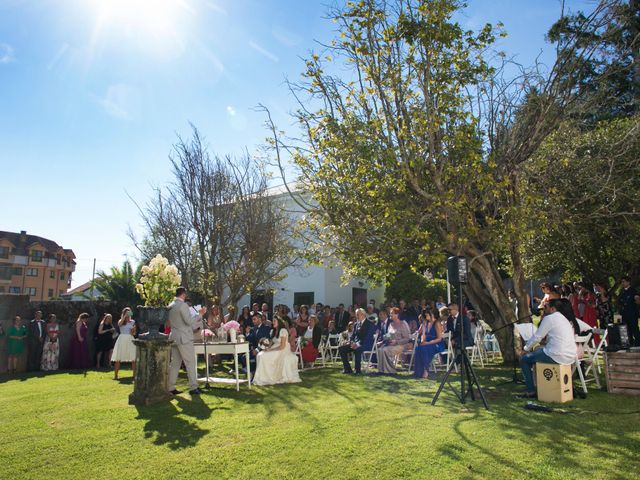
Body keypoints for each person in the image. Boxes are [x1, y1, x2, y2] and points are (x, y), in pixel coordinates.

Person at [518, 298, 578, 398]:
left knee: (524, 359)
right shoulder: (564, 319)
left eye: (546, 307)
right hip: (570, 356)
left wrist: (525, 349)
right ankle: (538, 385)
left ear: (553, 309)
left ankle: (530, 390)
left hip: (556, 355)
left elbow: (537, 336)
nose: (543, 309)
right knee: (538, 351)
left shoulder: (550, 318)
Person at [166, 287, 207, 395]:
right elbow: (189, 321)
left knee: (175, 363)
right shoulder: (183, 305)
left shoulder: (170, 305)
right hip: (184, 337)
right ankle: (193, 387)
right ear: (183, 294)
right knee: (190, 362)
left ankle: (170, 387)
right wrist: (200, 314)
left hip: (174, 336)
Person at [253, 316, 301, 386]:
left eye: (275, 321)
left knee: (263, 356)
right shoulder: (275, 331)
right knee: (260, 354)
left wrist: (270, 350)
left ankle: (265, 378)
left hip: (282, 350)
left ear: (279, 322)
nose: (273, 322)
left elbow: (282, 346)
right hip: (276, 348)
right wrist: (266, 346)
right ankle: (260, 377)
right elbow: (272, 342)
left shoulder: (283, 331)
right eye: (273, 321)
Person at [339, 308, 375, 374]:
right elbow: (353, 336)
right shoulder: (356, 324)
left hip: (366, 345)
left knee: (357, 349)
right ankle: (348, 369)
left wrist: (357, 344)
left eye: (358, 314)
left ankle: (357, 370)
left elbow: (368, 338)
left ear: (363, 314)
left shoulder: (370, 324)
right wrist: (351, 342)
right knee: (341, 349)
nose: (356, 316)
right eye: (356, 314)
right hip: (355, 344)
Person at [378, 307, 411, 374]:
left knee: (385, 350)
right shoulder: (391, 324)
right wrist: (382, 341)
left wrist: (397, 341)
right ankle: (382, 370)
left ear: (397, 315)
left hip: (402, 345)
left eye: (392, 313)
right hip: (392, 345)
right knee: (380, 350)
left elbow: (407, 339)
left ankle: (390, 371)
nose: (390, 314)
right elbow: (388, 336)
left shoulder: (403, 324)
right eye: (390, 313)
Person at [414, 311, 444, 379]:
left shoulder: (437, 323)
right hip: (427, 343)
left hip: (437, 343)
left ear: (432, 315)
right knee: (418, 348)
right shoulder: (426, 323)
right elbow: (423, 339)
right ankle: (419, 371)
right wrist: (424, 330)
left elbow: (439, 339)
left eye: (427, 315)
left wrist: (428, 343)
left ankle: (426, 370)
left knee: (425, 349)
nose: (426, 317)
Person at [112, 307, 137, 380]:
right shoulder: (121, 321)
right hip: (122, 339)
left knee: (133, 358)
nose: (128, 314)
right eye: (127, 312)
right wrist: (124, 317)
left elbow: (134, 333)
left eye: (129, 312)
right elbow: (119, 325)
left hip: (130, 338)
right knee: (118, 358)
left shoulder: (133, 322)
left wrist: (133, 330)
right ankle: (116, 376)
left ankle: (134, 375)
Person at [617, 276, 640, 346]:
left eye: (624, 281)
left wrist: (637, 299)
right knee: (626, 330)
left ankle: (638, 343)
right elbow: (619, 302)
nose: (622, 283)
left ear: (628, 282)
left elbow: (638, 301)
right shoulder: (622, 292)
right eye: (622, 282)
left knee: (634, 329)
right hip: (624, 314)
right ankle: (629, 343)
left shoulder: (633, 290)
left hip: (632, 313)